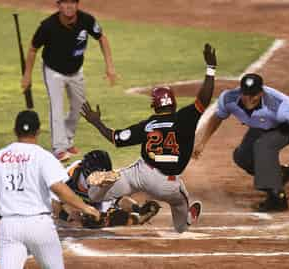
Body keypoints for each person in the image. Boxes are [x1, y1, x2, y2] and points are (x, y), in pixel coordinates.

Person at [80, 44, 217, 233]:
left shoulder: (148, 125)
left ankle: (101, 186)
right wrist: (210, 69)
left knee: (95, 195)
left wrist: (96, 122)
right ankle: (185, 222)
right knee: (180, 209)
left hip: (140, 173)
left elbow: (116, 138)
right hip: (166, 184)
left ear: (154, 106)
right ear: (174, 103)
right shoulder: (185, 117)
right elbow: (204, 98)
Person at [0, 110, 100, 269]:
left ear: (15, 130)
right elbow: (58, 188)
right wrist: (85, 207)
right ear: (38, 131)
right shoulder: (43, 156)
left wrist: (5, 203)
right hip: (39, 226)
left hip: (9, 226)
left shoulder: (1, 156)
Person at [193, 73, 289, 212]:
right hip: (263, 124)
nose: (249, 99)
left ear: (261, 92)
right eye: (246, 94)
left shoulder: (278, 107)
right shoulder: (229, 99)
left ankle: (277, 199)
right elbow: (217, 117)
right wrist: (202, 142)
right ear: (240, 92)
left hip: (286, 126)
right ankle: (281, 174)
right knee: (242, 157)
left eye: (253, 95)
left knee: (263, 146)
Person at [21, 0, 117, 162]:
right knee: (56, 108)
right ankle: (59, 148)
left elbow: (102, 38)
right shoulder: (48, 26)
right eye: (65, 3)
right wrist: (27, 75)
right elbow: (32, 49)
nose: (69, 6)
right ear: (58, 5)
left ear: (77, 4)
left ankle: (68, 139)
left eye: (72, 2)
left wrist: (110, 66)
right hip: (53, 71)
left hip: (75, 70)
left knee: (79, 107)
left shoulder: (87, 20)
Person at [51, 150, 162, 228]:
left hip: (93, 202)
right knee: (78, 216)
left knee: (105, 217)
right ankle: (130, 219)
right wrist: (69, 216)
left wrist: (137, 208)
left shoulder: (107, 178)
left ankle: (137, 214)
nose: (101, 177)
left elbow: (118, 199)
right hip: (70, 202)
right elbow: (55, 202)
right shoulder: (67, 176)